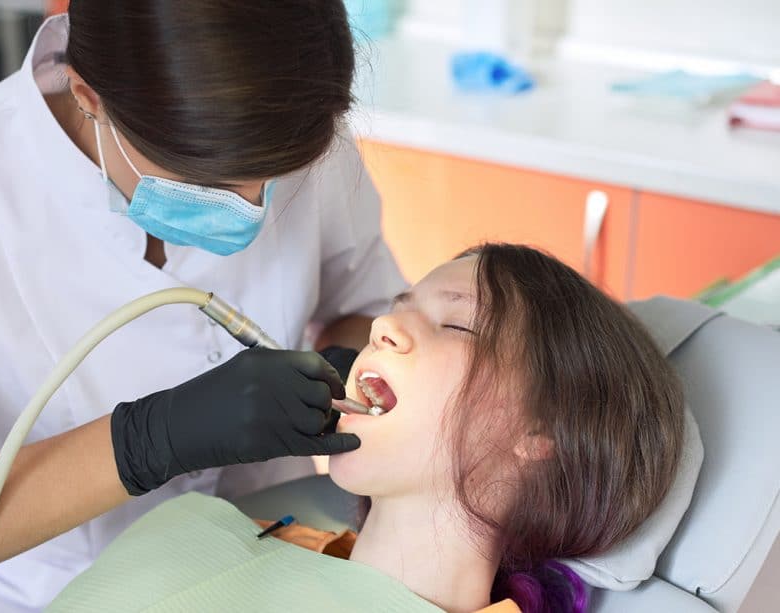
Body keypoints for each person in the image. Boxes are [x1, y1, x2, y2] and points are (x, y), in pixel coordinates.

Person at [0, 2, 406, 611]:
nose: (253, 208)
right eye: (212, 183)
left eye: (274, 180)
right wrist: (148, 441)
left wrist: (352, 363)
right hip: (57, 593)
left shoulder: (290, 113)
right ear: (89, 96)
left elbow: (366, 305)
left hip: (276, 556)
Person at [50, 243, 685, 613]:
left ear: (542, 432)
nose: (380, 329)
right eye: (398, 306)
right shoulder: (195, 526)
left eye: (457, 324)